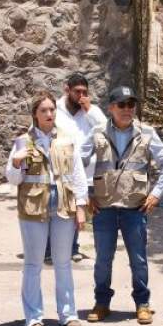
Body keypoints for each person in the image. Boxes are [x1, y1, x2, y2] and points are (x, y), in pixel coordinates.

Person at [86, 86, 163, 325]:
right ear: (111, 108)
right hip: (104, 206)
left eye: (131, 104)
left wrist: (156, 194)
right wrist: (86, 192)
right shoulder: (97, 132)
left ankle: (142, 303)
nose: (127, 109)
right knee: (103, 259)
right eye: (122, 105)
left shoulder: (146, 132)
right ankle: (101, 302)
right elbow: (78, 162)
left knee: (138, 258)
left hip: (135, 207)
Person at [6, 91, 88, 326]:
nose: (49, 114)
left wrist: (81, 207)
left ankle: (68, 315)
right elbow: (12, 178)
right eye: (44, 110)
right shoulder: (22, 141)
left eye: (52, 109)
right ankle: (33, 319)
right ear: (35, 114)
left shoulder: (67, 138)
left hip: (62, 204)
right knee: (33, 263)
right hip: (33, 207)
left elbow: (77, 173)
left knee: (63, 262)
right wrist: (17, 162)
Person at [54, 72, 107, 262]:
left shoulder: (90, 112)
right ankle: (56, 248)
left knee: (80, 207)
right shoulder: (55, 109)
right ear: (67, 90)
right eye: (77, 91)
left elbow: (105, 126)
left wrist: (90, 109)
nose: (81, 96)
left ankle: (74, 247)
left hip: (86, 170)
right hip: (61, 167)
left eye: (85, 92)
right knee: (62, 208)